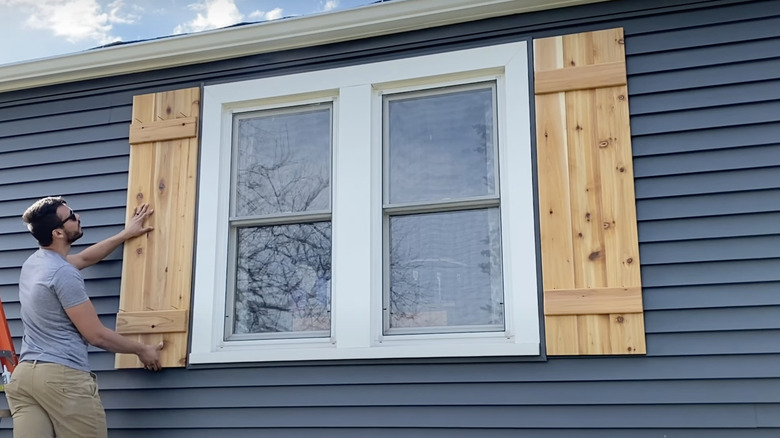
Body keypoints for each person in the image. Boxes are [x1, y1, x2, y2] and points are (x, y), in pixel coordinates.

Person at [4, 196, 164, 438]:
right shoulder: (62, 273)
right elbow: (96, 335)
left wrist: (125, 234)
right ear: (58, 232)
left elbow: (85, 258)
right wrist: (142, 350)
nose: (78, 217)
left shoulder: (35, 264)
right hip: (61, 378)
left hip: (25, 379)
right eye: (71, 216)